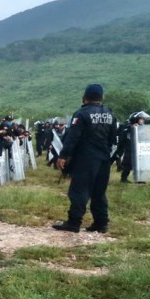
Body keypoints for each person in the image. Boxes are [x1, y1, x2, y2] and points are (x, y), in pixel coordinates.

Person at [53, 84, 117, 234]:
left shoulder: (81, 114)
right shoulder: (110, 114)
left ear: (84, 98)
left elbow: (72, 137)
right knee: (99, 192)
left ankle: (74, 222)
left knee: (79, 190)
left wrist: (63, 156)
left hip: (86, 159)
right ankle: (101, 223)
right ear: (102, 98)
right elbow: (113, 138)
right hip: (104, 158)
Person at [116, 111, 149, 183]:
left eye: (143, 119)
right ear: (136, 119)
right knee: (127, 164)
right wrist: (132, 128)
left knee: (141, 164)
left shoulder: (142, 128)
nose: (143, 120)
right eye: (141, 119)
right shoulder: (128, 128)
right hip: (130, 149)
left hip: (140, 149)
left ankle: (139, 179)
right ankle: (123, 178)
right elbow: (124, 138)